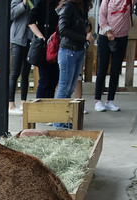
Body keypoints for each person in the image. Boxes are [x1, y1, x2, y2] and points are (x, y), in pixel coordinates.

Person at [54, 0, 92, 129]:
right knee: (64, 87)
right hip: (68, 50)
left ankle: (64, 119)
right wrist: (83, 37)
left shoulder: (81, 7)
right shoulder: (68, 6)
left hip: (78, 50)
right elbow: (63, 29)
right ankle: (59, 122)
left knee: (70, 88)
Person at [93, 0, 137, 112]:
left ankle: (110, 100)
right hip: (105, 36)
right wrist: (108, 32)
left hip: (122, 37)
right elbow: (102, 15)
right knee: (102, 68)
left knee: (116, 69)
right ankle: (97, 100)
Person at [28, 0, 60, 98]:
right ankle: (39, 107)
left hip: (59, 45)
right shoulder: (44, 3)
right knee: (44, 80)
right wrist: (41, 37)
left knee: (53, 80)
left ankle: (48, 107)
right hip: (46, 46)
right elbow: (31, 21)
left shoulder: (66, 4)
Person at [8, 0, 33, 115]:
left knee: (26, 73)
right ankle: (11, 104)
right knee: (15, 73)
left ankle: (23, 102)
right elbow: (11, 14)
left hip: (30, 38)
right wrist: (23, 4)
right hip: (17, 38)